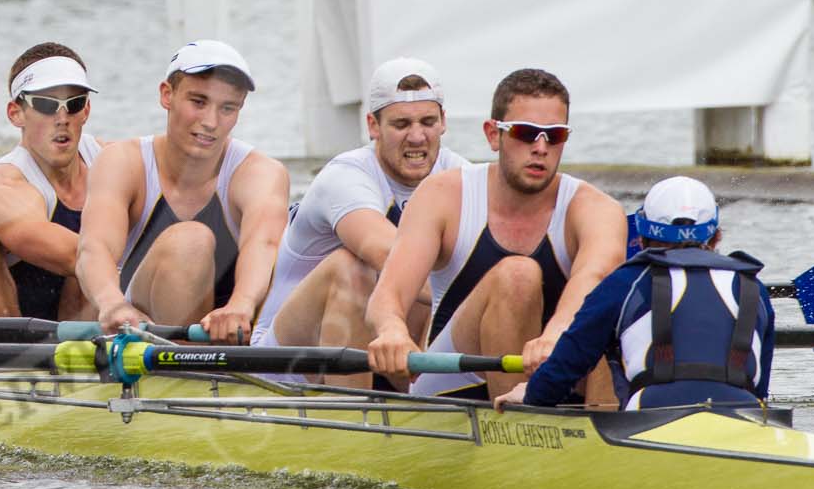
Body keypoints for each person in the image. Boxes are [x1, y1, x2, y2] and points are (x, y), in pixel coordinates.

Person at [367, 68, 628, 399]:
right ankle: (520, 429)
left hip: (554, 375)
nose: (541, 148)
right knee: (518, 274)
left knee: (608, 311)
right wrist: (392, 331)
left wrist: (557, 335)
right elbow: (387, 294)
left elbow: (595, 275)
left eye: (555, 135)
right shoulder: (443, 195)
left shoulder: (597, 209)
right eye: (526, 132)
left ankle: (601, 435)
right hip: (454, 387)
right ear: (493, 135)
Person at [252, 57, 466, 385]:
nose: (417, 137)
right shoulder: (346, 177)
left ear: (443, 122)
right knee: (355, 267)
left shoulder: (460, 174)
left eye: (427, 122)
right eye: (401, 124)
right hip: (285, 363)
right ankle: (355, 414)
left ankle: (432, 401)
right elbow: (386, 254)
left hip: (381, 349)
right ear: (373, 126)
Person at [496, 177, 774, 412]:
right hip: (744, 413)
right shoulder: (754, 288)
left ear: (641, 238)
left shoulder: (624, 283)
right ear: (716, 237)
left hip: (651, 416)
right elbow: (760, 386)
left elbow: (569, 363)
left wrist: (532, 393)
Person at [75, 41, 290, 341]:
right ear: (167, 95)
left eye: (228, 108)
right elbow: (93, 249)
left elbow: (265, 244)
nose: (211, 122)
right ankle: (178, 369)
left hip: (227, 333)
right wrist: (111, 303)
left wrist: (241, 305)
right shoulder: (122, 162)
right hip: (136, 326)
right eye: (198, 102)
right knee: (192, 240)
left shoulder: (261, 172)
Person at [0, 43, 101, 320]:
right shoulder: (6, 186)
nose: (62, 119)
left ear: (86, 111)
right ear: (16, 113)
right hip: (2, 320)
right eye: (47, 105)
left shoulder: (109, 160)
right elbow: (77, 256)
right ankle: (10, 364)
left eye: (74, 104)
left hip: (70, 321)